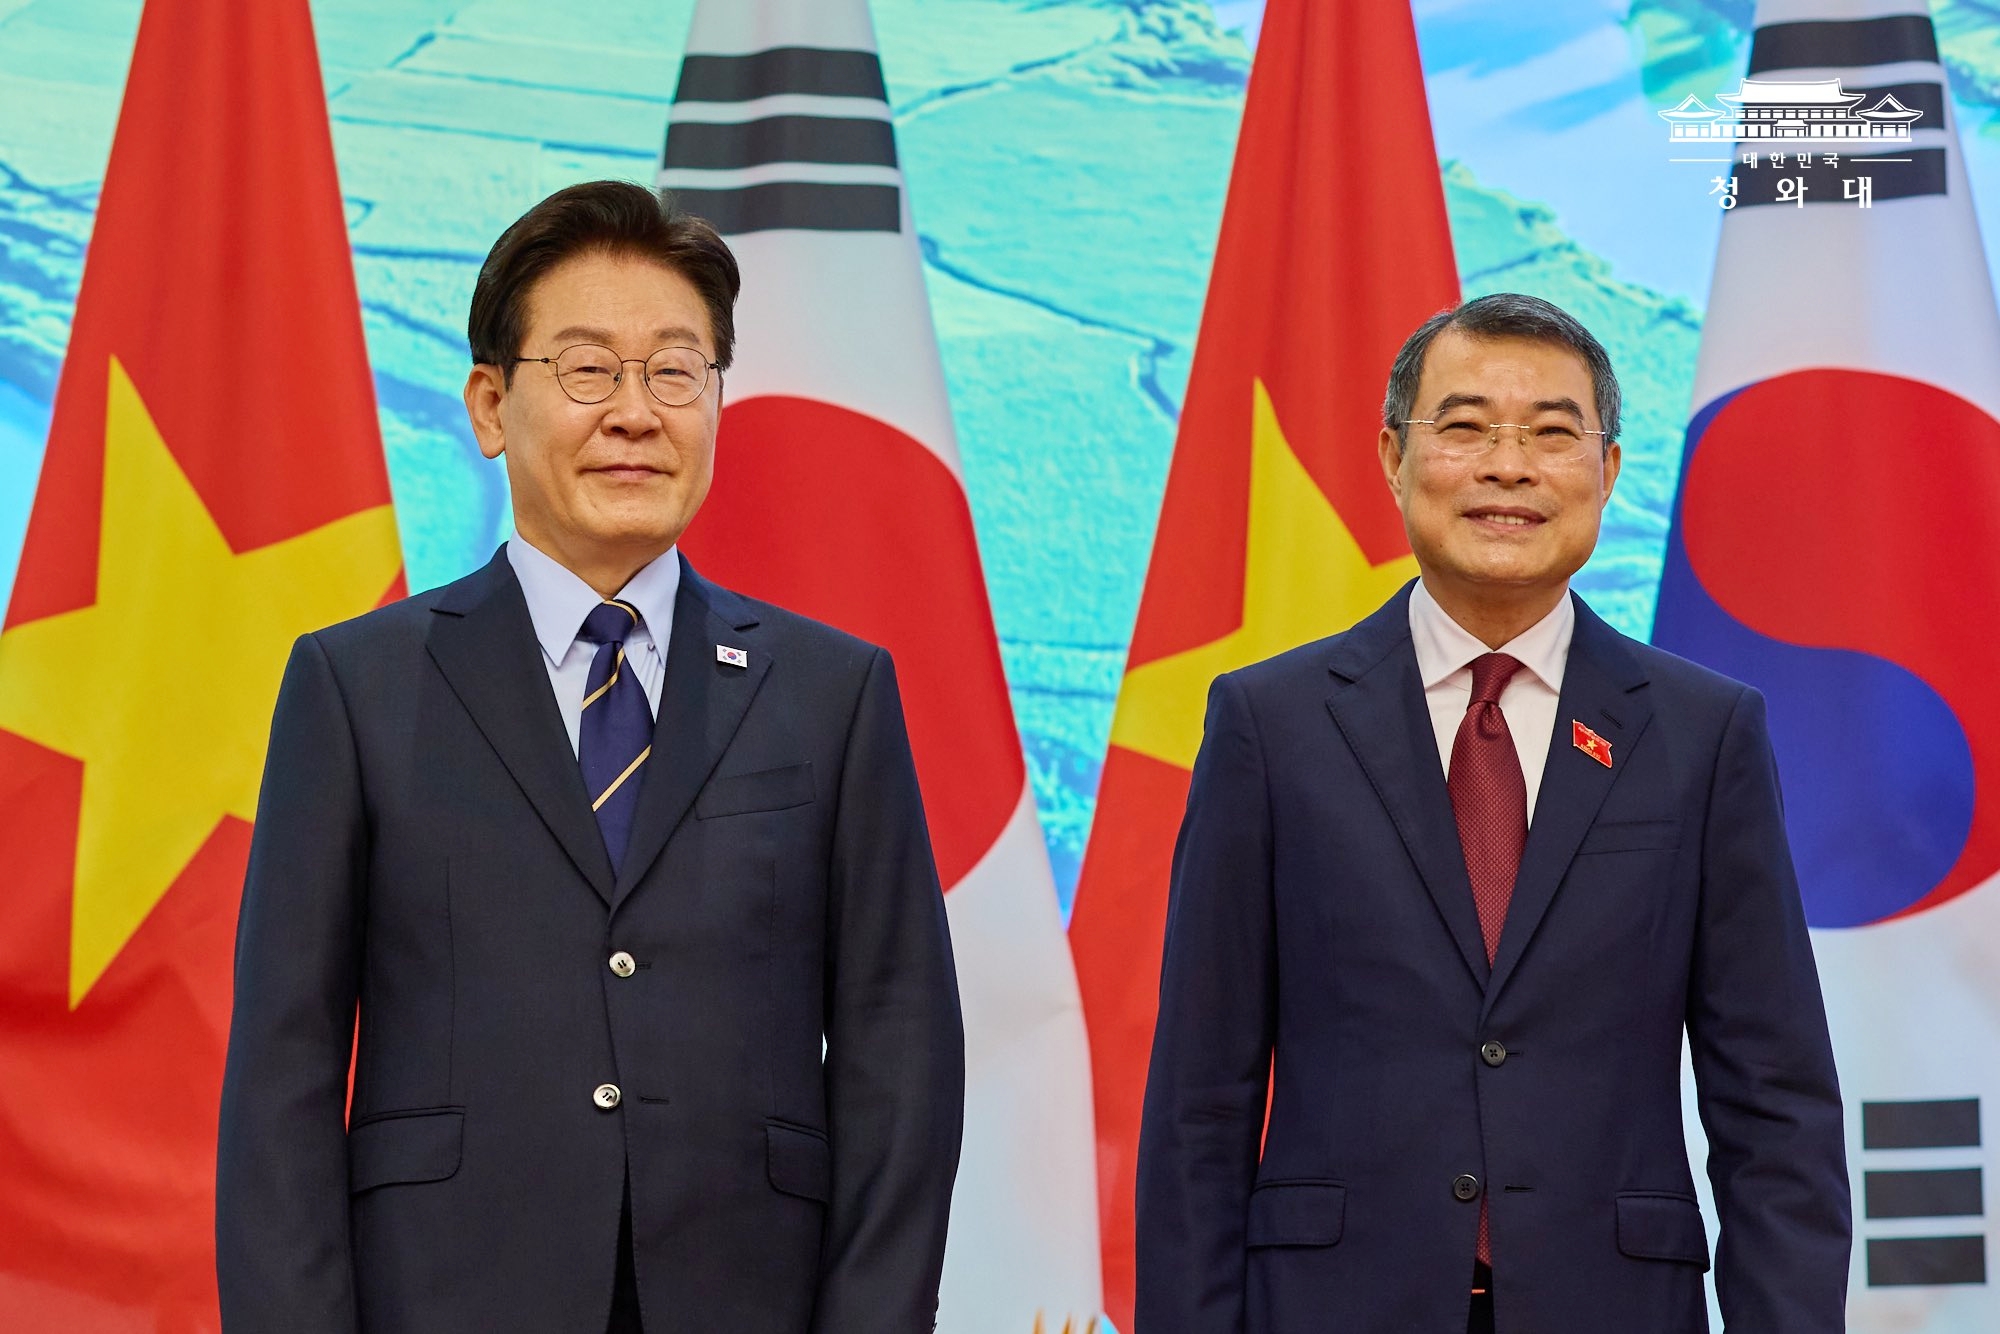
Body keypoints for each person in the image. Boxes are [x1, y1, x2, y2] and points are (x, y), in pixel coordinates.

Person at [215, 180, 965, 1333]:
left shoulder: (832, 693)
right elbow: (283, 1072)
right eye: (586, 369)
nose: (635, 412)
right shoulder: (356, 685)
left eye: (675, 370)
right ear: (488, 404)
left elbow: (899, 1063)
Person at [1134, 293, 1849, 1333]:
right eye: (1463, 427)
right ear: (1391, 455)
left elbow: (1773, 1105)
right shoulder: (1269, 725)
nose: (1507, 467)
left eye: (1552, 434)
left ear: (1604, 471)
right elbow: (1201, 1100)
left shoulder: (1701, 734)